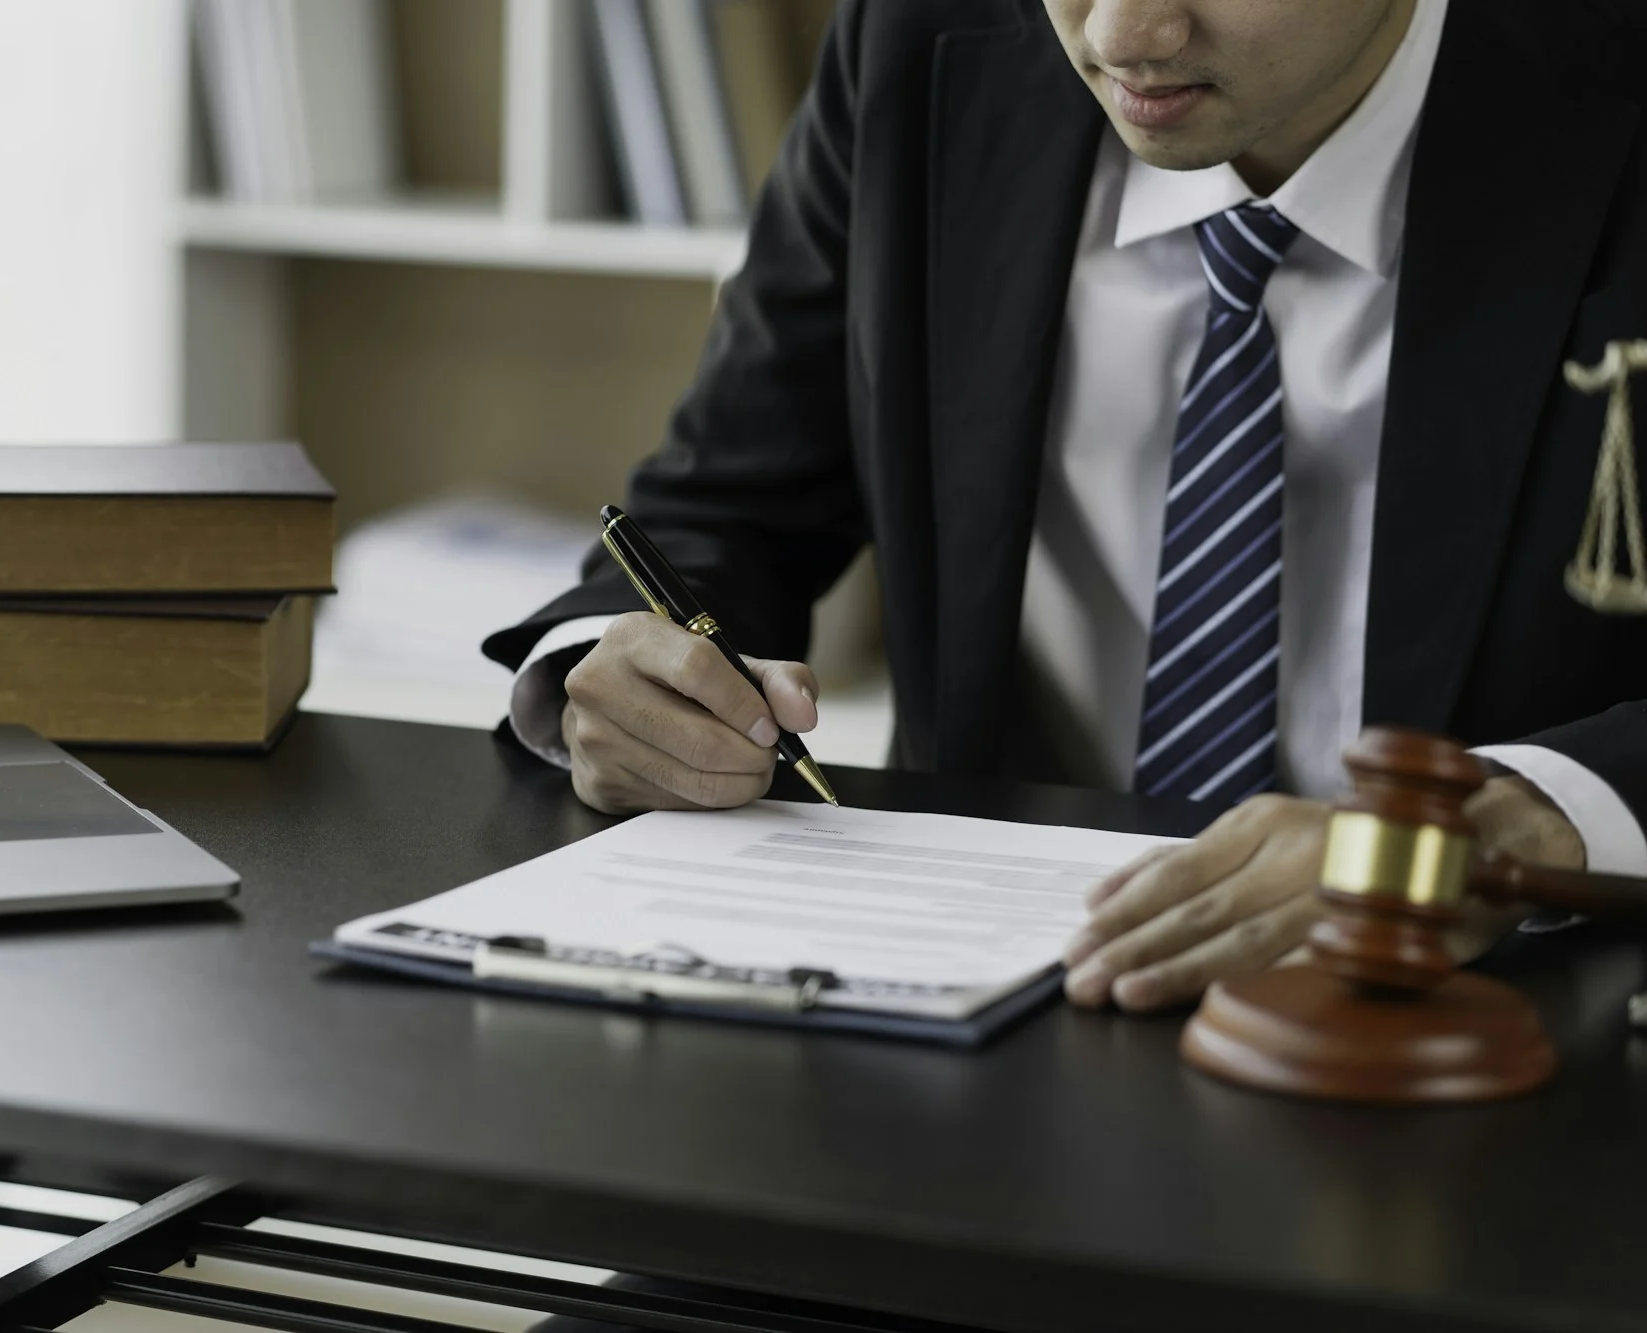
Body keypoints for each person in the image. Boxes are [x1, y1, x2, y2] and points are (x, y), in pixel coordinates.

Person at [483, 0, 1647, 1014]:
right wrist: (616, 672)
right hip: (966, 1000)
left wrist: (1499, 831)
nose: (1121, 35)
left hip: (1504, 1033)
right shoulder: (918, 39)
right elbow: (718, 510)